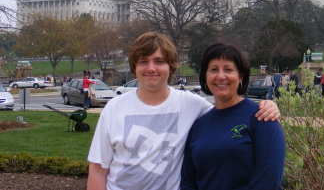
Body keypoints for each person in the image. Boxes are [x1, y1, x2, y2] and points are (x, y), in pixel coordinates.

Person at [87, 32, 280, 190]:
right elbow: (97, 170)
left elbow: (230, 113)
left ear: (170, 67)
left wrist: (269, 106)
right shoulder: (114, 107)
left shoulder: (193, 105)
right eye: (143, 61)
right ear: (134, 67)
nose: (151, 68)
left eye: (159, 61)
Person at [181, 43, 285, 190]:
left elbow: (268, 179)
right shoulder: (197, 126)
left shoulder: (261, 117)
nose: (221, 76)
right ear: (205, 76)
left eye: (228, 69)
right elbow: (188, 182)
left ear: (240, 76)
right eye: (214, 70)